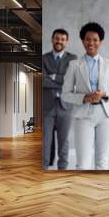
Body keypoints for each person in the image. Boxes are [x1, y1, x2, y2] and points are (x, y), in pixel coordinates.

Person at [62, 22, 109, 170]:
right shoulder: (74, 65)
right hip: (84, 115)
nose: (91, 43)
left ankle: (100, 192)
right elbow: (65, 94)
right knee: (82, 164)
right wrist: (84, 97)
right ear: (83, 41)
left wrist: (105, 94)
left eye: (95, 39)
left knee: (102, 162)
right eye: (88, 39)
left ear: (100, 42)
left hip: (106, 116)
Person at [42, 29, 77, 170]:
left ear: (66, 42)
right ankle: (43, 168)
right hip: (47, 106)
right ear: (52, 39)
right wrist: (61, 79)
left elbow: (71, 81)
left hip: (66, 106)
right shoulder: (44, 58)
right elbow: (42, 81)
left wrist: (53, 77)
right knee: (46, 141)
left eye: (62, 39)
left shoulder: (72, 59)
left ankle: (63, 169)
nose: (59, 41)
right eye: (57, 38)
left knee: (64, 141)